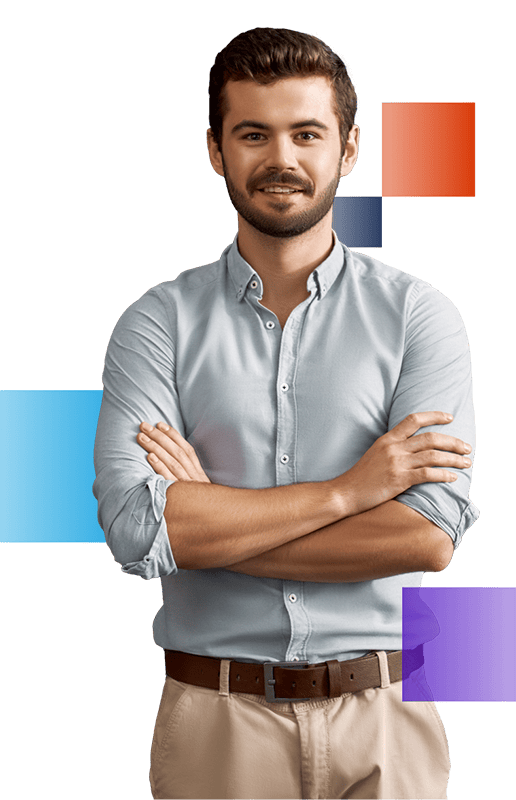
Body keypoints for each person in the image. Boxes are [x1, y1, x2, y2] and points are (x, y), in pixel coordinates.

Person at [93, 27, 478, 800]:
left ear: (348, 150)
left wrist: (208, 524)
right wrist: (352, 491)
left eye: (307, 133)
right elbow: (139, 532)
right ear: (215, 150)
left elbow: (428, 537)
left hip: (387, 721)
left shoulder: (420, 317)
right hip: (215, 723)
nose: (281, 159)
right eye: (253, 134)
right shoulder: (155, 324)